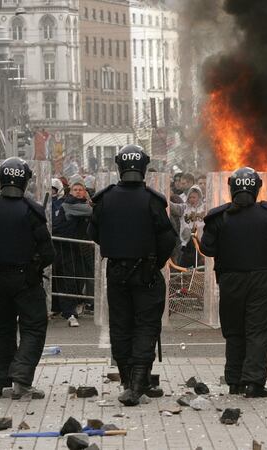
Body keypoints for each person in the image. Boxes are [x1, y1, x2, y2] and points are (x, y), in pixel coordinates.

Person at [88, 145, 177, 406]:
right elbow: (168, 238)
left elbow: (93, 233)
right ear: (143, 168)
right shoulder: (152, 200)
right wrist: (154, 263)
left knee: (121, 325)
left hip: (116, 271)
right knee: (146, 326)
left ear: (120, 167)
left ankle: (130, 381)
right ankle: (138, 383)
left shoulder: (105, 199)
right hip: (146, 272)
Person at [0, 158, 54, 399]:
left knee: (2, 330)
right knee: (33, 328)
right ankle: (21, 380)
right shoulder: (31, 210)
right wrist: (34, 266)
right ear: (25, 181)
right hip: (25, 280)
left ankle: (1, 380)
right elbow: (48, 252)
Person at [200, 168, 267, 398]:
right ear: (256, 188)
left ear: (232, 187)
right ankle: (254, 383)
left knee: (234, 330)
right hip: (260, 278)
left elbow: (207, 249)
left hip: (230, 279)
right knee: (258, 331)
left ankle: (235, 381)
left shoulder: (218, 217)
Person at [53, 182, 93, 327]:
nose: (78, 192)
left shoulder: (78, 203)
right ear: (70, 192)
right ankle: (69, 312)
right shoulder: (70, 204)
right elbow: (90, 211)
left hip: (76, 248)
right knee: (68, 279)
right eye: (75, 190)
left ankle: (70, 308)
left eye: (81, 190)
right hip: (65, 248)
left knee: (78, 278)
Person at [170, 185, 205, 268]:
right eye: (190, 197)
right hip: (186, 244)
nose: (192, 199)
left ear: (199, 197)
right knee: (183, 268)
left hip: (201, 244)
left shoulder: (205, 208)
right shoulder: (184, 208)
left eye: (194, 197)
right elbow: (172, 207)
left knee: (200, 269)